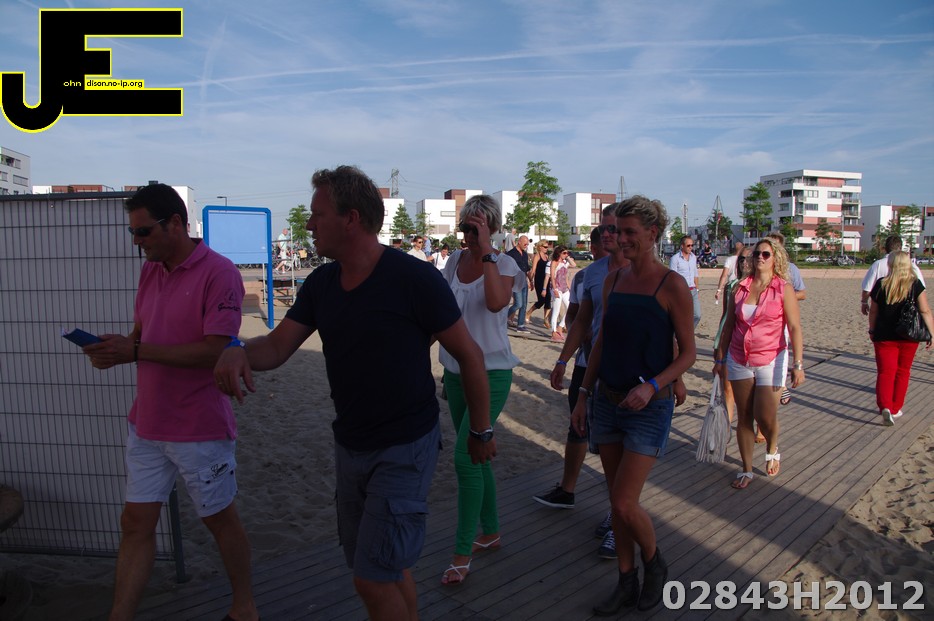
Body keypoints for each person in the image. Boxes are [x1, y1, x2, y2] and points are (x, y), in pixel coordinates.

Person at [213, 166, 494, 621]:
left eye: (317, 214)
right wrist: (236, 350)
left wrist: (481, 431)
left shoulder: (413, 279)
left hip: (406, 444)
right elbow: (277, 347)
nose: (308, 225)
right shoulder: (322, 284)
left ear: (351, 218)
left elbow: (471, 355)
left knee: (372, 576)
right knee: (386, 565)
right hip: (350, 444)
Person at [81, 183, 258, 621]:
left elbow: (214, 351)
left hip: (199, 426)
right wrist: (117, 349)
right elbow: (142, 334)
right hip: (147, 422)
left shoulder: (219, 273)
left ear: (175, 223)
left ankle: (245, 608)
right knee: (135, 524)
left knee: (219, 521)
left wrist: (135, 351)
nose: (136, 242)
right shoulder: (151, 270)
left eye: (143, 232)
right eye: (132, 233)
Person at [571, 196, 696, 614]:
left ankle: (654, 562)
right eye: (615, 231)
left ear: (652, 234)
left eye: (628, 232)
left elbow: (688, 354)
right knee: (615, 503)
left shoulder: (671, 285)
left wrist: (656, 384)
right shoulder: (613, 281)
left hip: (649, 407)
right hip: (607, 401)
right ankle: (626, 581)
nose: (619, 239)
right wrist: (583, 395)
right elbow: (601, 343)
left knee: (625, 502)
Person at [438, 195, 520, 585]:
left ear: (492, 227)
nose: (468, 233)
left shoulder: (504, 264)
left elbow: (495, 303)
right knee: (477, 457)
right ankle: (491, 531)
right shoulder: (453, 261)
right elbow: (440, 313)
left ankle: (461, 553)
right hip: (455, 371)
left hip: (492, 372)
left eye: (476, 227)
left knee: (465, 458)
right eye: (465, 226)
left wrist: (487, 250)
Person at [714, 238, 804, 491]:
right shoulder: (739, 287)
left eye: (766, 254)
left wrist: (798, 364)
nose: (760, 258)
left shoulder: (783, 289)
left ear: (775, 259)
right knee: (744, 416)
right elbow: (728, 325)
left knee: (764, 415)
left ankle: (772, 447)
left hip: (771, 358)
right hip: (739, 357)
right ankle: (746, 469)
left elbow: (794, 327)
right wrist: (720, 358)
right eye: (756, 255)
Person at [868, 251, 934, 426]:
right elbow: (925, 310)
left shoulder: (881, 284)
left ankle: (885, 406)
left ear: (891, 264)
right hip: (908, 336)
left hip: (884, 335)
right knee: (903, 371)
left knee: (885, 372)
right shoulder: (915, 284)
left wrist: (872, 330)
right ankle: (896, 408)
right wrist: (932, 333)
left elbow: (873, 311)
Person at [861, 235, 926, 316]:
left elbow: (867, 288)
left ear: (885, 248)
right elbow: (921, 290)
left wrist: (864, 302)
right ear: (900, 248)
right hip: (906, 310)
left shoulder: (878, 265)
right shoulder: (912, 266)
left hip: (883, 310)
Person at [669, 235, 700, 329]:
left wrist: (697, 289)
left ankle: (687, 332)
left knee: (697, 315)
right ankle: (679, 334)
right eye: (688, 245)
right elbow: (672, 277)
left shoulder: (693, 257)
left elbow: (695, 274)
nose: (691, 247)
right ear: (682, 246)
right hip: (682, 291)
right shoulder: (675, 259)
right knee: (681, 316)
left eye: (692, 245)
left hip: (693, 290)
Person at [549, 245, 576, 342]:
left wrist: (567, 257)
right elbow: (552, 276)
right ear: (559, 253)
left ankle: (560, 326)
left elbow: (574, 265)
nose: (566, 254)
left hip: (565, 288)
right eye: (564, 253)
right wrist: (555, 289)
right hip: (557, 288)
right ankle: (554, 331)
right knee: (556, 311)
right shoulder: (554, 262)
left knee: (570, 308)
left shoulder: (565, 262)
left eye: (567, 253)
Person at [506, 235, 532, 332]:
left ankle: (520, 325)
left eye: (527, 244)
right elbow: (506, 268)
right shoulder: (510, 254)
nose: (526, 245)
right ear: (519, 242)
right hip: (515, 282)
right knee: (518, 304)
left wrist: (531, 281)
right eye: (525, 244)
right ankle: (503, 317)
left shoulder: (524, 254)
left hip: (524, 281)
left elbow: (527, 269)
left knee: (524, 305)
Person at [526, 240, 553, 330]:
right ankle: (529, 312)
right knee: (541, 300)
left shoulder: (546, 256)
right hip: (539, 281)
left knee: (548, 299)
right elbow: (533, 270)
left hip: (547, 280)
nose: (546, 248)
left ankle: (546, 320)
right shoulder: (537, 256)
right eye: (545, 247)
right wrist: (530, 281)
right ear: (540, 247)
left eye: (547, 247)